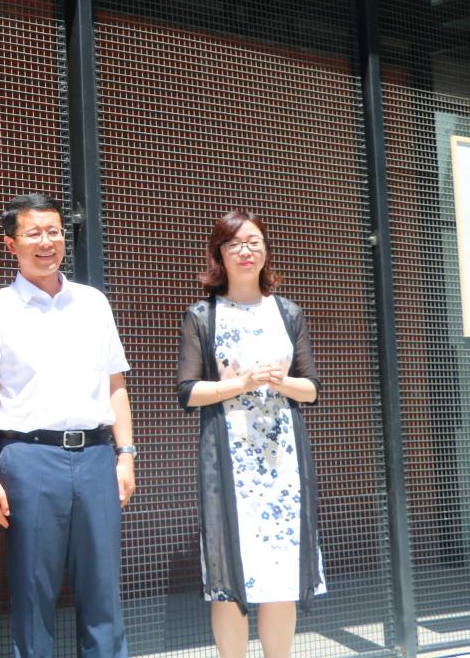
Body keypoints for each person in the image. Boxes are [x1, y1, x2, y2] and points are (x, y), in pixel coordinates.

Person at [0, 193, 136, 658]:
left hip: (97, 456)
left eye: (55, 232)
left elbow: (115, 384)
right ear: (11, 244)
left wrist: (126, 454)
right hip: (30, 459)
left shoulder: (93, 303)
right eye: (34, 233)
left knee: (103, 590)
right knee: (32, 590)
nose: (47, 242)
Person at [176, 210, 325, 658]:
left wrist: (281, 382)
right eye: (234, 244)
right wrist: (240, 384)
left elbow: (311, 389)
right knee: (230, 577)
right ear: (220, 255)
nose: (245, 251)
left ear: (265, 251)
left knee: (281, 574)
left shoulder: (287, 312)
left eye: (254, 242)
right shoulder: (203, 314)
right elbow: (188, 392)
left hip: (283, 461)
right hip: (229, 460)